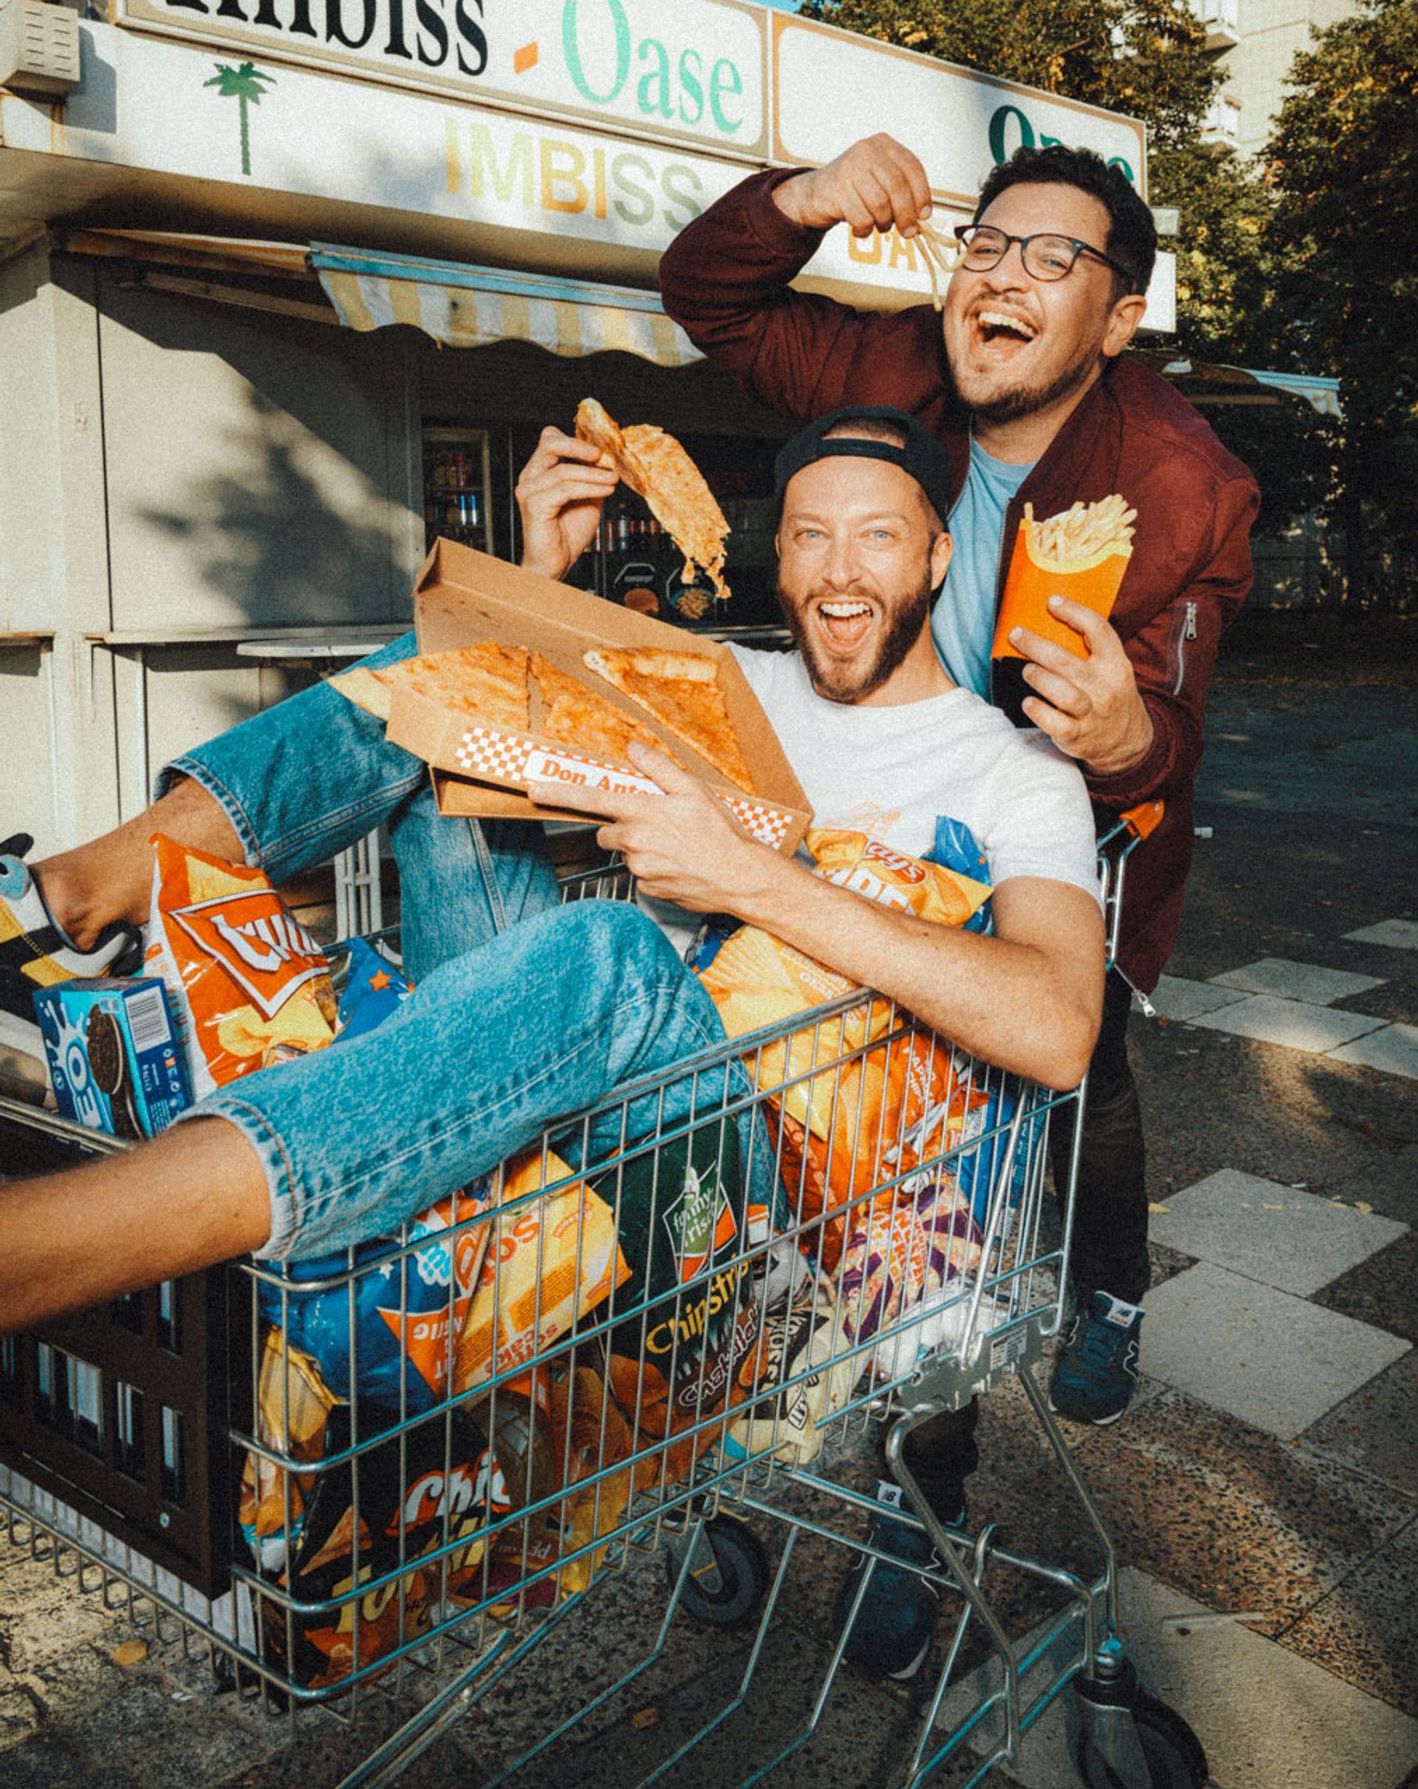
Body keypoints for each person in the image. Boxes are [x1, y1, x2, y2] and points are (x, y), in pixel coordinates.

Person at [0, 406, 1106, 1487]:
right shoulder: (728, 684)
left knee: (613, 954)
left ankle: (81, 1232)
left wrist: (753, 880)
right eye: (811, 532)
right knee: (444, 707)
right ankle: (75, 895)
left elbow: (1058, 1030)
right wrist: (532, 571)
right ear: (778, 548)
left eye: (878, 533)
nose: (839, 571)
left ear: (940, 550)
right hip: (558, 1089)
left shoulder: (1011, 770)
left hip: (750, 1216)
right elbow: (448, 697)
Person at [657, 136, 1257, 1641]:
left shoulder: (1181, 480)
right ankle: (780, 1408)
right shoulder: (894, 363)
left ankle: (1009, 1400)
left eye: (1053, 259)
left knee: (1054, 1095)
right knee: (842, 1151)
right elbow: (707, 299)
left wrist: (1131, 739)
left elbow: (1169, 709)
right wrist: (798, 198)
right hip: (877, 828)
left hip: (1049, 826)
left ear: (1116, 318)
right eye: (987, 243)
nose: (1002, 276)